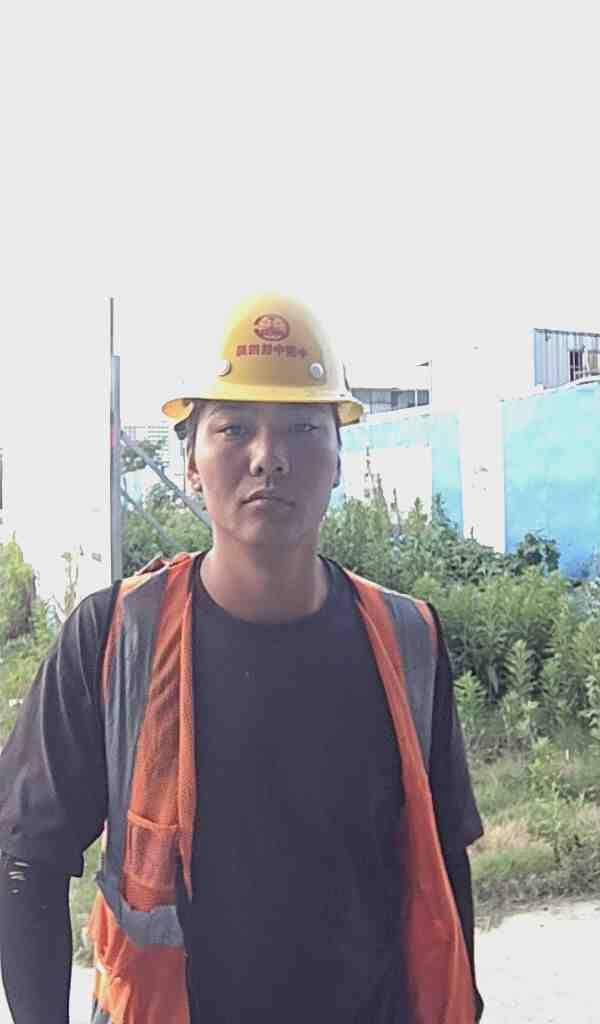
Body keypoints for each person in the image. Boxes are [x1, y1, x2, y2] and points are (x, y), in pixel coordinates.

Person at [0, 293, 484, 1023]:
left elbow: (445, 866)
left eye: (302, 427)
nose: (268, 457)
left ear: (339, 458)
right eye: (232, 428)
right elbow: (25, 861)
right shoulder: (116, 637)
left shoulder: (408, 638)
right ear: (190, 462)